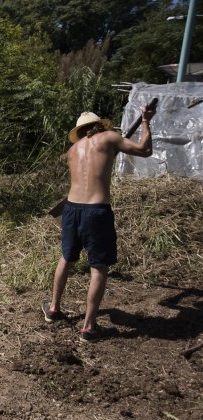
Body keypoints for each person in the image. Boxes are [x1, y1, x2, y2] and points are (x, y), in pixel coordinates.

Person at [42, 105, 155, 342]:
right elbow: (145, 150)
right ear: (100, 126)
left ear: (80, 131)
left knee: (66, 258)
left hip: (72, 209)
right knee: (98, 268)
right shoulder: (109, 138)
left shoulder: (73, 150)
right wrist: (145, 121)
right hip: (96, 211)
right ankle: (89, 327)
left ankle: (53, 309)